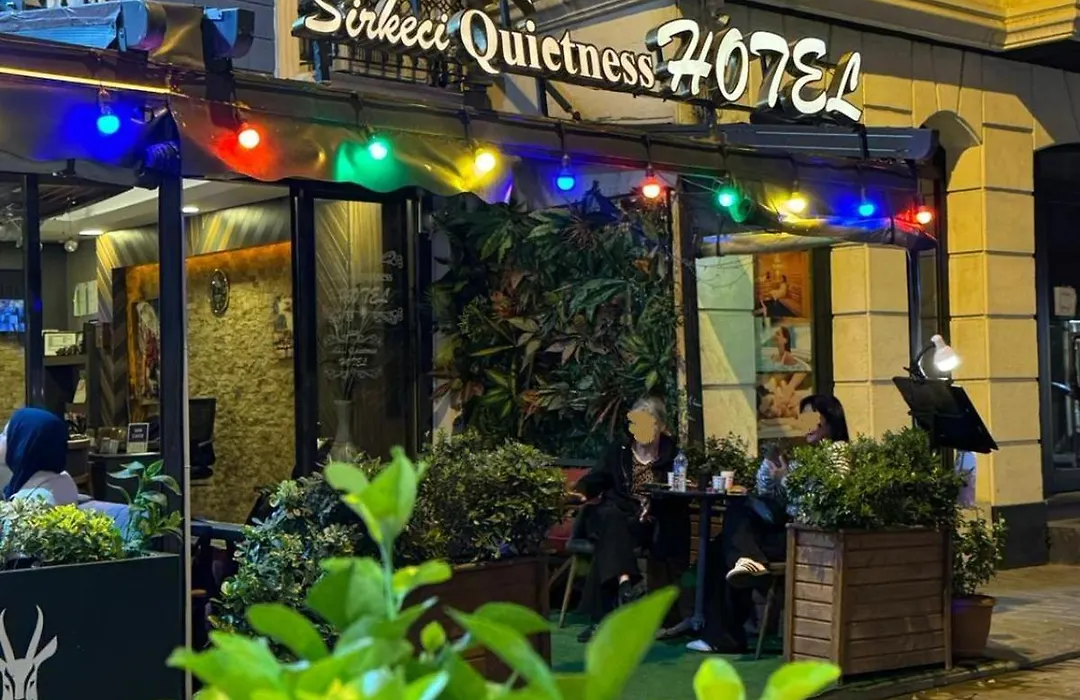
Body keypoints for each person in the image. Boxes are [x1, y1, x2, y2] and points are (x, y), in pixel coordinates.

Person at [688, 394, 850, 654]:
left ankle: (727, 633)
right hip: (787, 528)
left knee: (728, 538)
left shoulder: (837, 453)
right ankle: (745, 571)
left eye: (812, 417)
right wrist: (770, 465)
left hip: (807, 537)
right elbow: (771, 494)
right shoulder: (808, 455)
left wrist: (786, 478)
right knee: (724, 539)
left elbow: (825, 499)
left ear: (830, 420)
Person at [573, 396, 677, 642]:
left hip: (644, 521)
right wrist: (581, 491)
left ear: (661, 426)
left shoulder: (671, 455)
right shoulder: (619, 450)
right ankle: (627, 583)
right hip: (613, 513)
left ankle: (608, 610)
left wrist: (652, 506)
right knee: (611, 519)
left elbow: (676, 492)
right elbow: (597, 477)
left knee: (609, 543)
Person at [0, 407, 79, 506]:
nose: (0, 438)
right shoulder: (63, 480)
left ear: (23, 444)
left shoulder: (33, 502)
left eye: (5, 434)